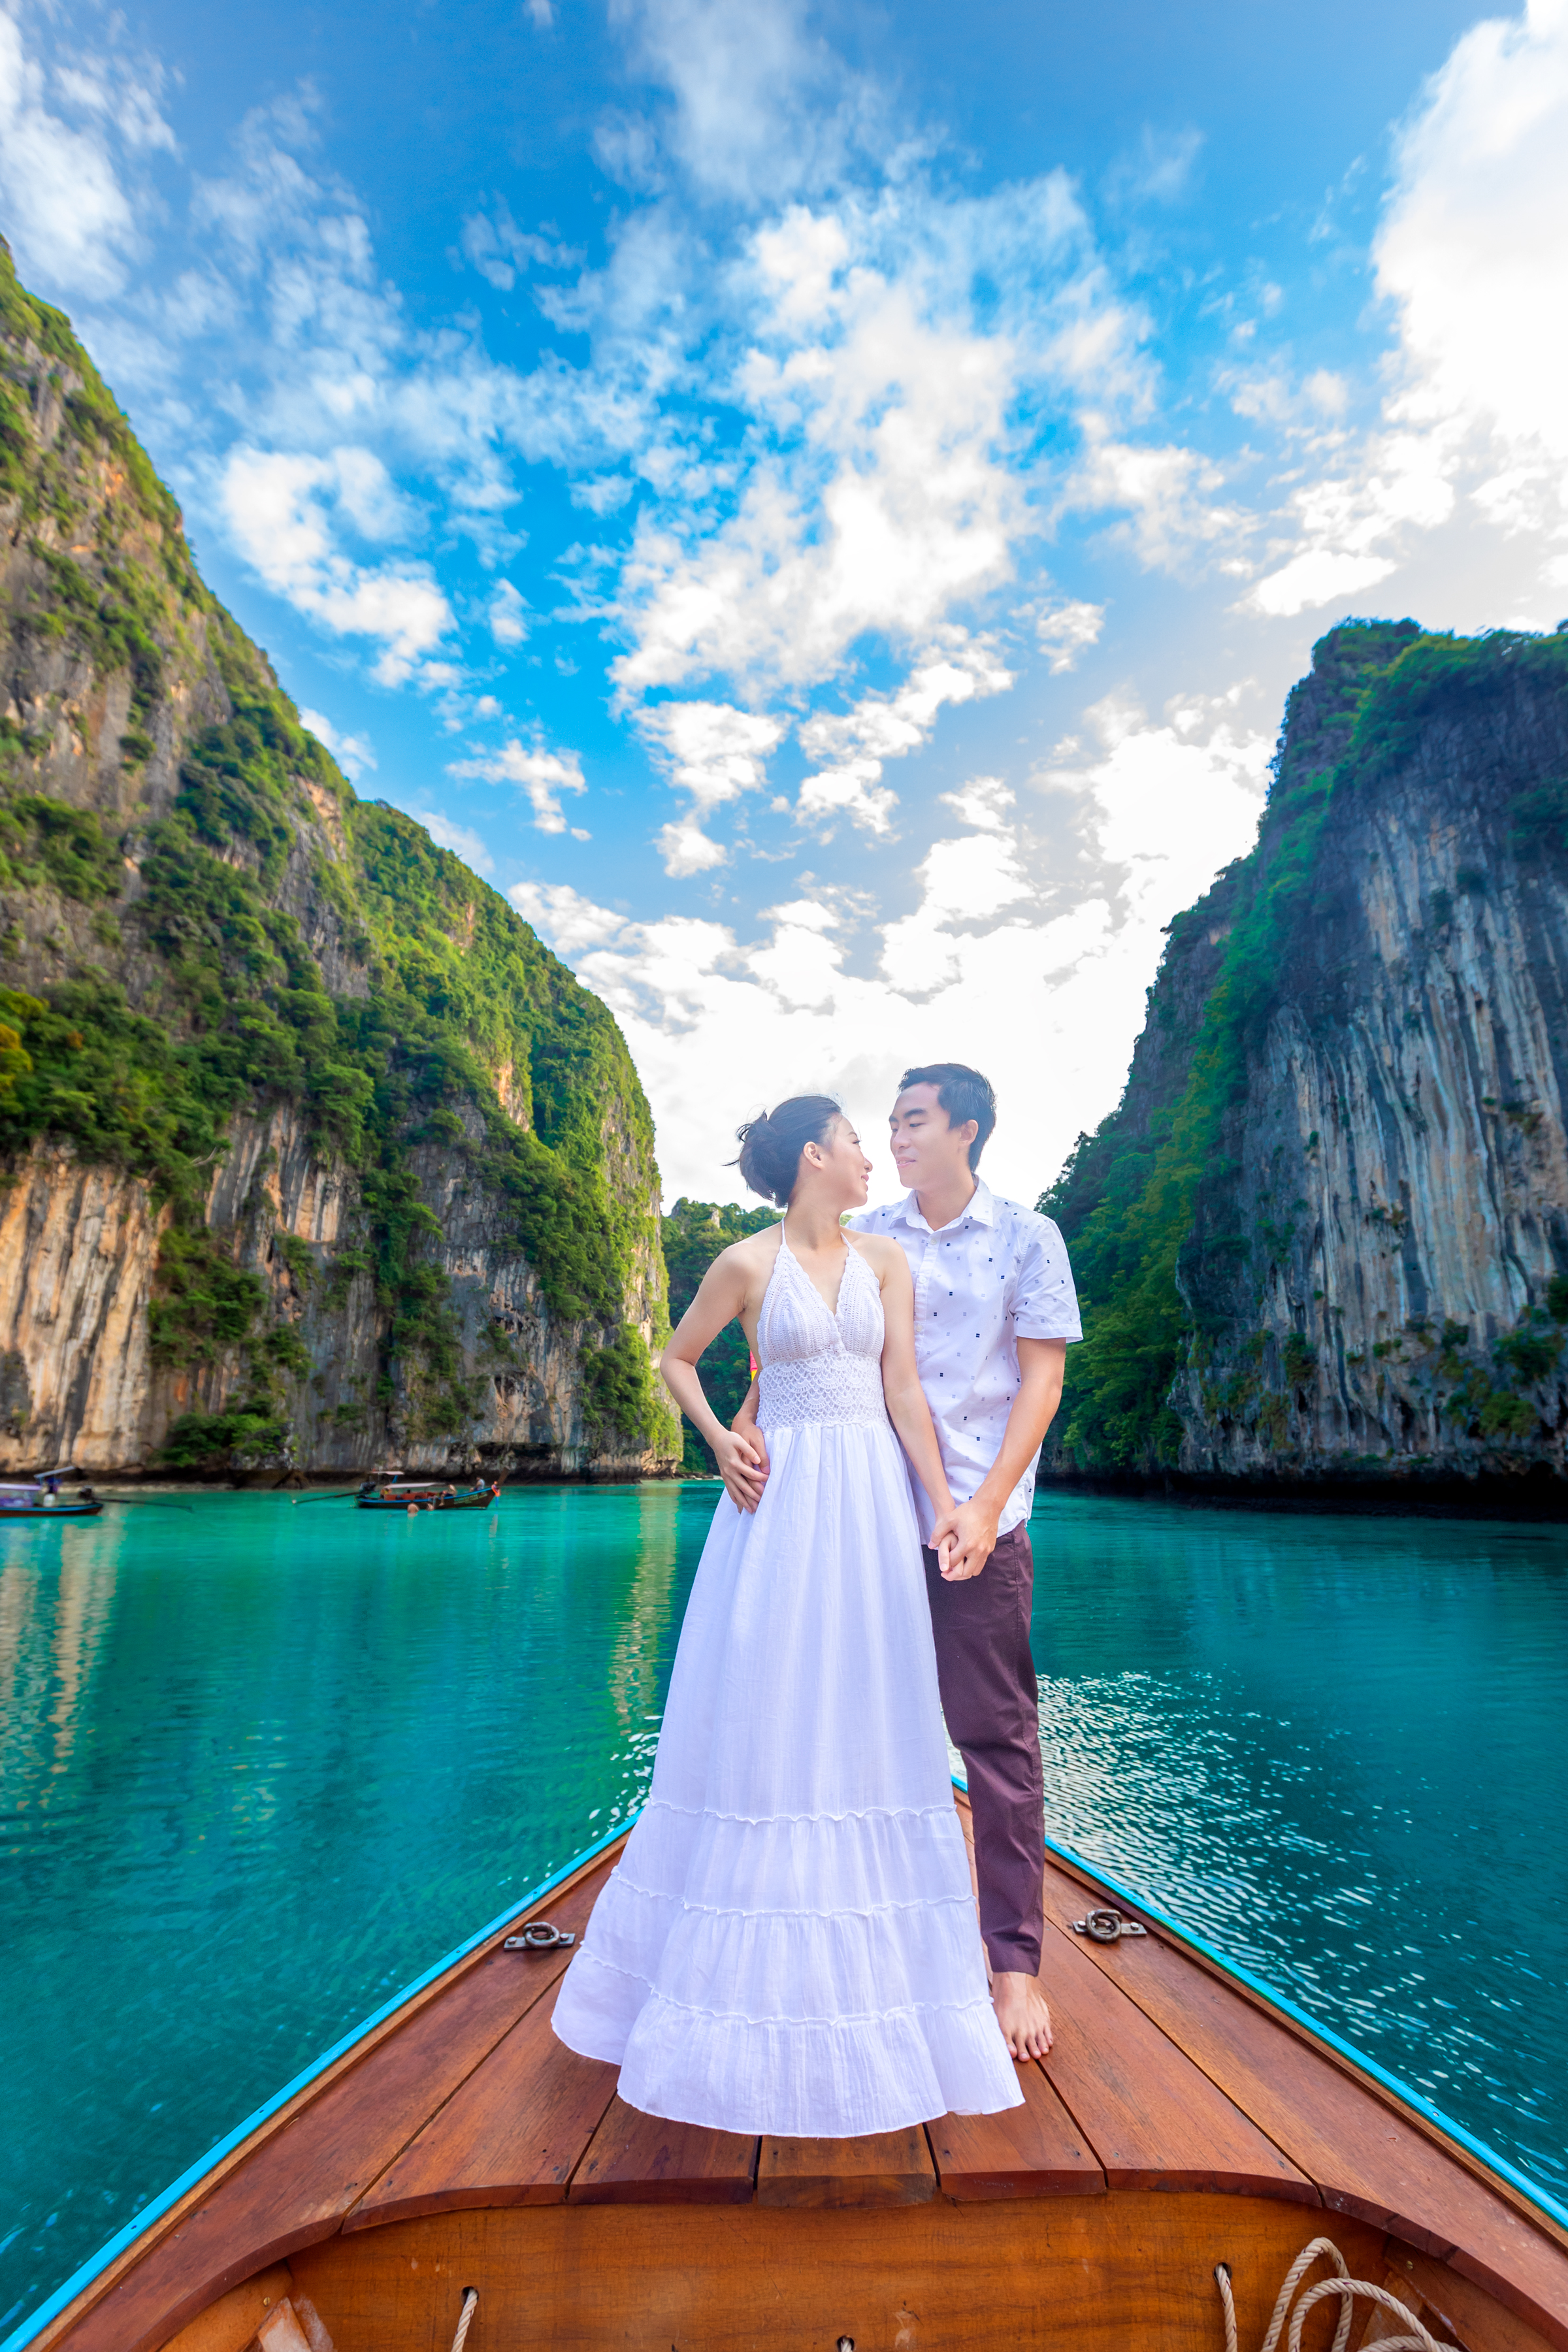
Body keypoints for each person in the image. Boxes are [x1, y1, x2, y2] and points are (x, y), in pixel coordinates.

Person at [551, 1096, 1023, 2135]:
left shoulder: (886, 1264)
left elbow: (904, 1390)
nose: (872, 1155)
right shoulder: (743, 1264)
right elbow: (678, 1361)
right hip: (778, 1508)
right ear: (816, 1155)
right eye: (859, 1139)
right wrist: (722, 1441)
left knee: (871, 1709)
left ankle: (884, 1982)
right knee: (766, 1711)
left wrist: (944, 1505)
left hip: (867, 1508)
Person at [731, 1064, 1080, 2062]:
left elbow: (1042, 1384)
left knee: (996, 1742)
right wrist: (741, 1436)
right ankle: (841, 1935)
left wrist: (978, 1507)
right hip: (854, 1522)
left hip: (978, 1520)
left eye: (914, 1120)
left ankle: (1011, 1967)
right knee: (836, 1727)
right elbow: (798, 1352)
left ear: (967, 1130)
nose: (894, 1136)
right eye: (886, 1122)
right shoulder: (862, 1229)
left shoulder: (1028, 1238)